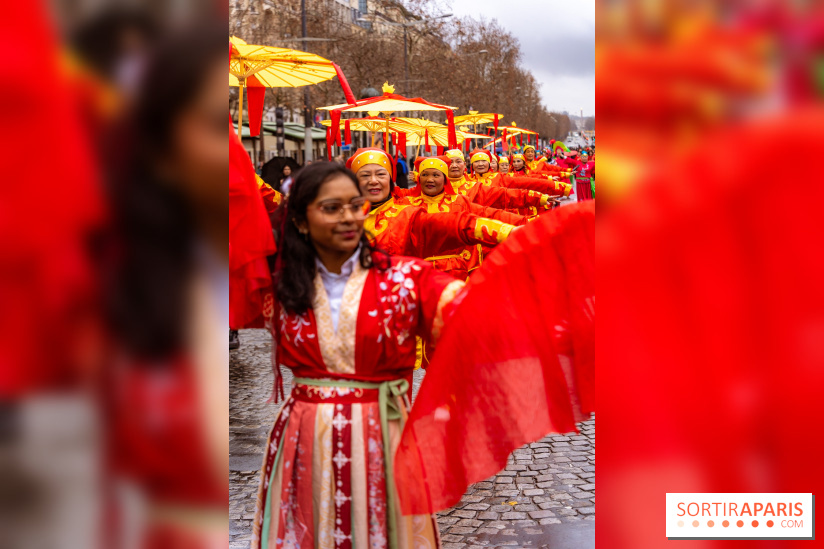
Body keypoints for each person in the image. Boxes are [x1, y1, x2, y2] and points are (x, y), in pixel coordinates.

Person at [252, 162, 489, 549]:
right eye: (331, 207)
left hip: (382, 432)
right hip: (303, 438)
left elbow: (474, 314)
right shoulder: (282, 285)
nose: (348, 217)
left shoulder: (405, 277)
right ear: (300, 221)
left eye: (354, 205)